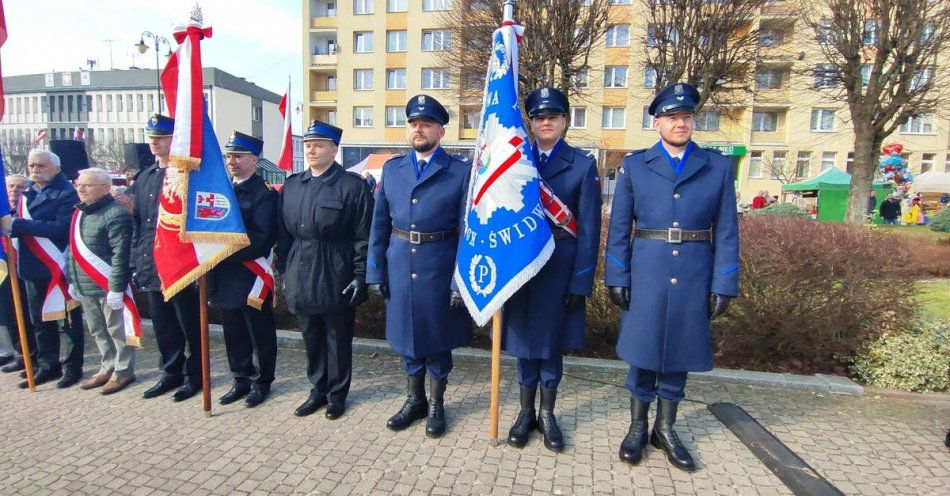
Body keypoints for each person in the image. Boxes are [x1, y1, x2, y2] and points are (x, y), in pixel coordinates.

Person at [605, 83, 740, 471]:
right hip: (647, 269)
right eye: (672, 117)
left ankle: (666, 429)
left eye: (686, 117)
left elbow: (728, 229)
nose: (681, 124)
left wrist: (724, 282)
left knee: (678, 353)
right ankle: (636, 428)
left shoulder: (715, 166)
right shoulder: (634, 165)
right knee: (643, 351)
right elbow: (618, 227)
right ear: (657, 122)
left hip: (695, 271)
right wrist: (617, 275)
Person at [367, 94, 472, 438]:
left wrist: (460, 282)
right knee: (407, 338)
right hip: (399, 265)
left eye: (426, 123)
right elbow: (378, 225)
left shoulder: (459, 171)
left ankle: (437, 404)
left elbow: (467, 231)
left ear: (441, 130)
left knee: (437, 339)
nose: (418, 129)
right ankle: (415, 401)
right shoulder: (392, 169)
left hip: (439, 266)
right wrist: (375, 271)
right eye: (413, 123)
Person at [503, 87, 602, 452]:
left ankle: (547, 414)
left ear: (564, 121)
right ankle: (525, 413)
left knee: (551, 347)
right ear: (530, 122)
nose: (546, 122)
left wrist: (581, 281)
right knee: (524, 345)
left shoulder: (582, 164)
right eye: (539, 117)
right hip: (522, 268)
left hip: (561, 268)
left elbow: (590, 229)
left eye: (554, 116)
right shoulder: (513, 161)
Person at [276, 121, 372, 419]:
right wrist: (284, 270)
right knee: (310, 335)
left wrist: (359, 276)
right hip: (300, 267)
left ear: (334, 149)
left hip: (335, 268)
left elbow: (363, 236)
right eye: (307, 145)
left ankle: (337, 394)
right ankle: (317, 390)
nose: (312, 150)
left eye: (318, 144)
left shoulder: (352, 186)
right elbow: (283, 234)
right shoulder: (293, 184)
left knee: (336, 337)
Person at [130, 114, 202, 402]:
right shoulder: (145, 178)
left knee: (188, 323)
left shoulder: (186, 175)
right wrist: (138, 260)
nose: (154, 142)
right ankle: (170, 372)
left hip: (179, 264)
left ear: (175, 140)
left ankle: (194, 375)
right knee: (163, 325)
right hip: (151, 263)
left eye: (161, 137)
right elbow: (139, 224)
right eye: (151, 137)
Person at [3, 149, 85, 389]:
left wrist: (18, 224)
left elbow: (60, 228)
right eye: (31, 166)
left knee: (68, 320)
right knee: (39, 320)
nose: (35, 170)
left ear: (56, 168)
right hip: (31, 266)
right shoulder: (28, 193)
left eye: (41, 166)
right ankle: (47, 364)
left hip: (58, 266)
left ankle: (72, 367)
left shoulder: (67, 193)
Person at [209, 132, 280, 408]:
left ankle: (263, 381)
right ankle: (241, 378)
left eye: (238, 156)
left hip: (250, 275)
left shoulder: (264, 195)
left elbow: (261, 238)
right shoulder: (221, 190)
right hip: (225, 276)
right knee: (233, 331)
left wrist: (222, 252)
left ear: (254, 159)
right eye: (229, 156)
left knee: (259, 332)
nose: (232, 161)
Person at [66, 168, 136, 394]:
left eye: (87, 185)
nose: (81, 189)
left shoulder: (116, 214)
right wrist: (72, 280)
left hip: (107, 283)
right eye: (79, 185)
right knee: (97, 330)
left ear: (106, 188)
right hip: (84, 283)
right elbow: (72, 252)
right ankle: (107, 366)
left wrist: (116, 288)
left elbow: (120, 254)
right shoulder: (79, 213)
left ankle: (123, 371)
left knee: (117, 330)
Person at [0, 175, 32, 371]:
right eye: (10, 186)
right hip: (6, 267)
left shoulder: (28, 210)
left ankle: (30, 356)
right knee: (8, 313)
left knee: (28, 316)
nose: (14, 190)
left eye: (20, 187)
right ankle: (19, 354)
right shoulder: (3, 212)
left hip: (26, 268)